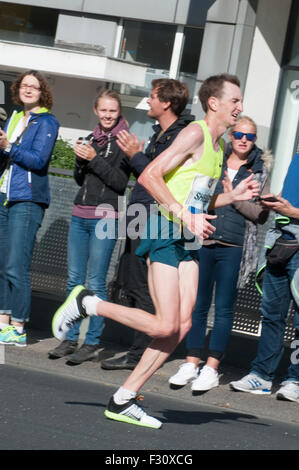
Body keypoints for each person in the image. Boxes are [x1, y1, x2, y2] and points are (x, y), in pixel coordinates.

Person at [51, 73, 260, 429]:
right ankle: (88, 303)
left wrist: (232, 198)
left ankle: (123, 399)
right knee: (165, 323)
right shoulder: (193, 133)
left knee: (179, 327)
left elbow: (197, 196)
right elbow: (150, 176)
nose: (240, 107)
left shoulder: (218, 144)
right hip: (165, 229)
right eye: (234, 101)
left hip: (187, 235)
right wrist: (183, 216)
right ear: (214, 102)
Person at [168, 115, 272, 391]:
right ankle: (191, 362)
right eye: (239, 134)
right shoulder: (215, 160)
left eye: (250, 137)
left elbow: (260, 215)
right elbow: (197, 197)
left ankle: (211, 367)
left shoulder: (259, 171)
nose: (243, 141)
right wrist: (221, 196)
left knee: (224, 309)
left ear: (254, 141)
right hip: (204, 239)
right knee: (198, 305)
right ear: (231, 136)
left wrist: (234, 198)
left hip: (235, 246)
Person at [101, 78, 193, 371]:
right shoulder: (160, 133)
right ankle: (136, 350)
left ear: (166, 102)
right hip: (137, 217)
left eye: (152, 97)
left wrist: (135, 156)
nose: (148, 101)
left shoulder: (181, 135)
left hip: (154, 221)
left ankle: (138, 354)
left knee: (144, 288)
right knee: (130, 282)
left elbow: (158, 179)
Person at [48, 89, 131, 363]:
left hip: (105, 217)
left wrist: (94, 159)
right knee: (73, 281)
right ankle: (70, 338)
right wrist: (80, 161)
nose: (108, 115)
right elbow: (79, 180)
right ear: (96, 111)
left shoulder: (124, 142)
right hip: (79, 214)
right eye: (104, 110)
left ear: (119, 113)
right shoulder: (90, 138)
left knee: (95, 281)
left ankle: (92, 341)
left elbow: (120, 183)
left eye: (113, 111)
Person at [230, 152, 299, 402]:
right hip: (282, 238)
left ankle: (295, 380)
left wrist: (293, 211)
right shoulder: (297, 158)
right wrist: (278, 204)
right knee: (272, 314)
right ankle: (262, 375)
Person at [0, 70, 59, 347]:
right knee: (2, 264)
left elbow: (38, 160)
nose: (28, 90)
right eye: (24, 85)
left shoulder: (46, 121)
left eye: (33, 87)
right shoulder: (14, 117)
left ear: (41, 92)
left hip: (27, 199)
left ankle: (19, 326)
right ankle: (3, 321)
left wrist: (8, 146)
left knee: (16, 265)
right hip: (4, 196)